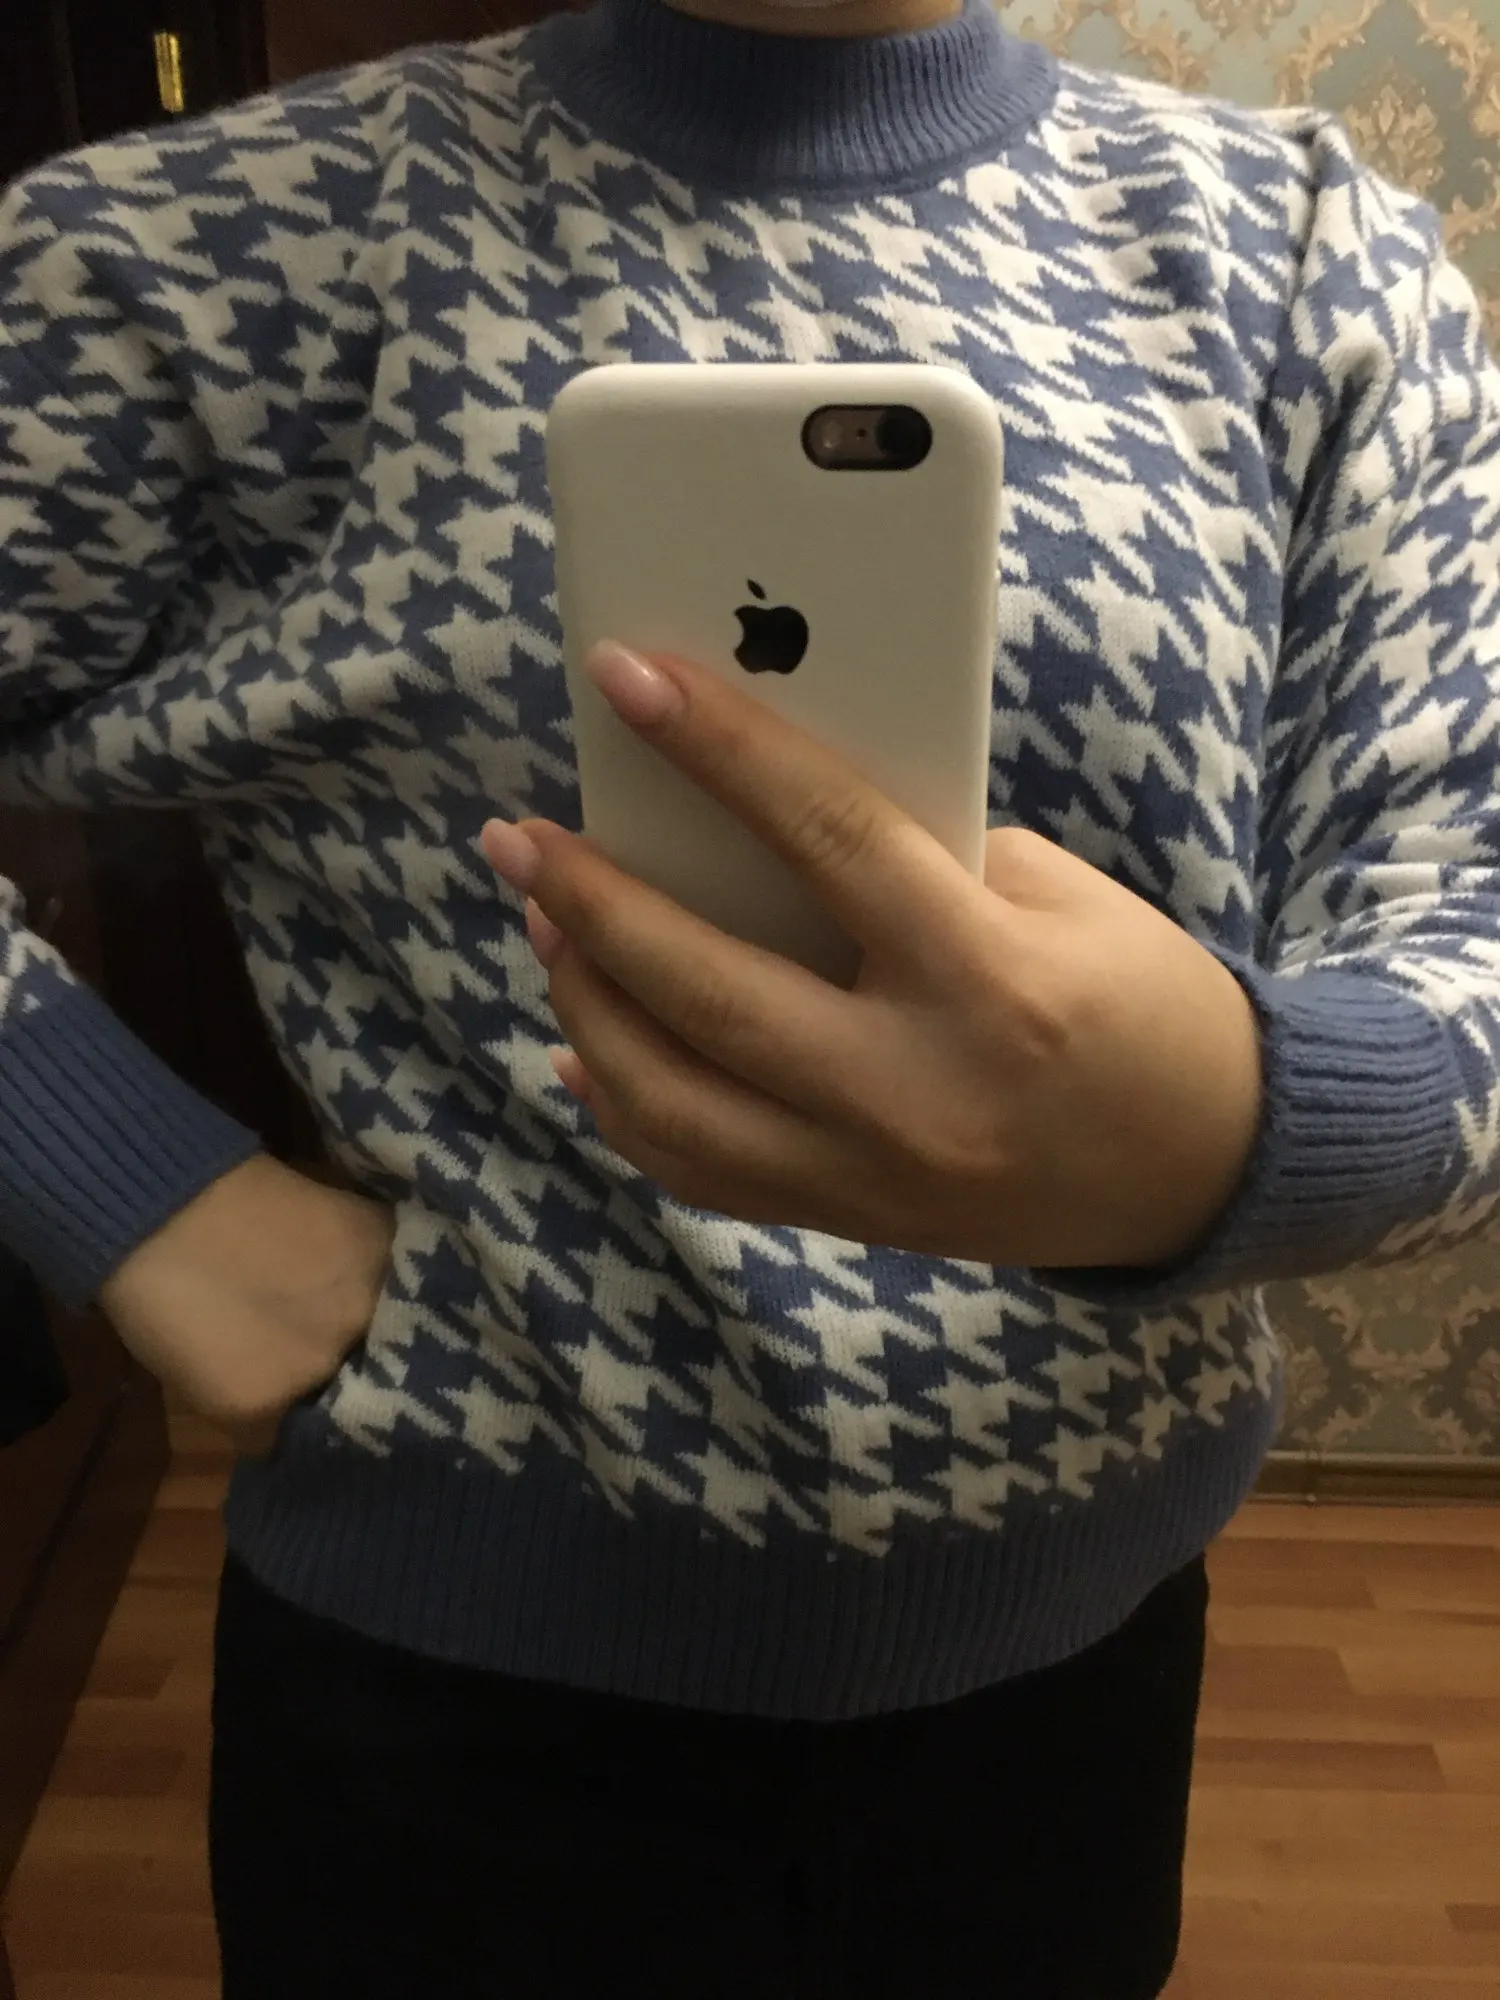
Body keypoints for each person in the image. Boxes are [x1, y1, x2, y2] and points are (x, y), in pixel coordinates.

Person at [1, 0, 1497, 1989]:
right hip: (440, 1705)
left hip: (1071, 1698)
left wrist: (1240, 1121)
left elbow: (1469, 895)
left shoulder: (1305, 258)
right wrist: (134, 1190)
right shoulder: (180, 255)